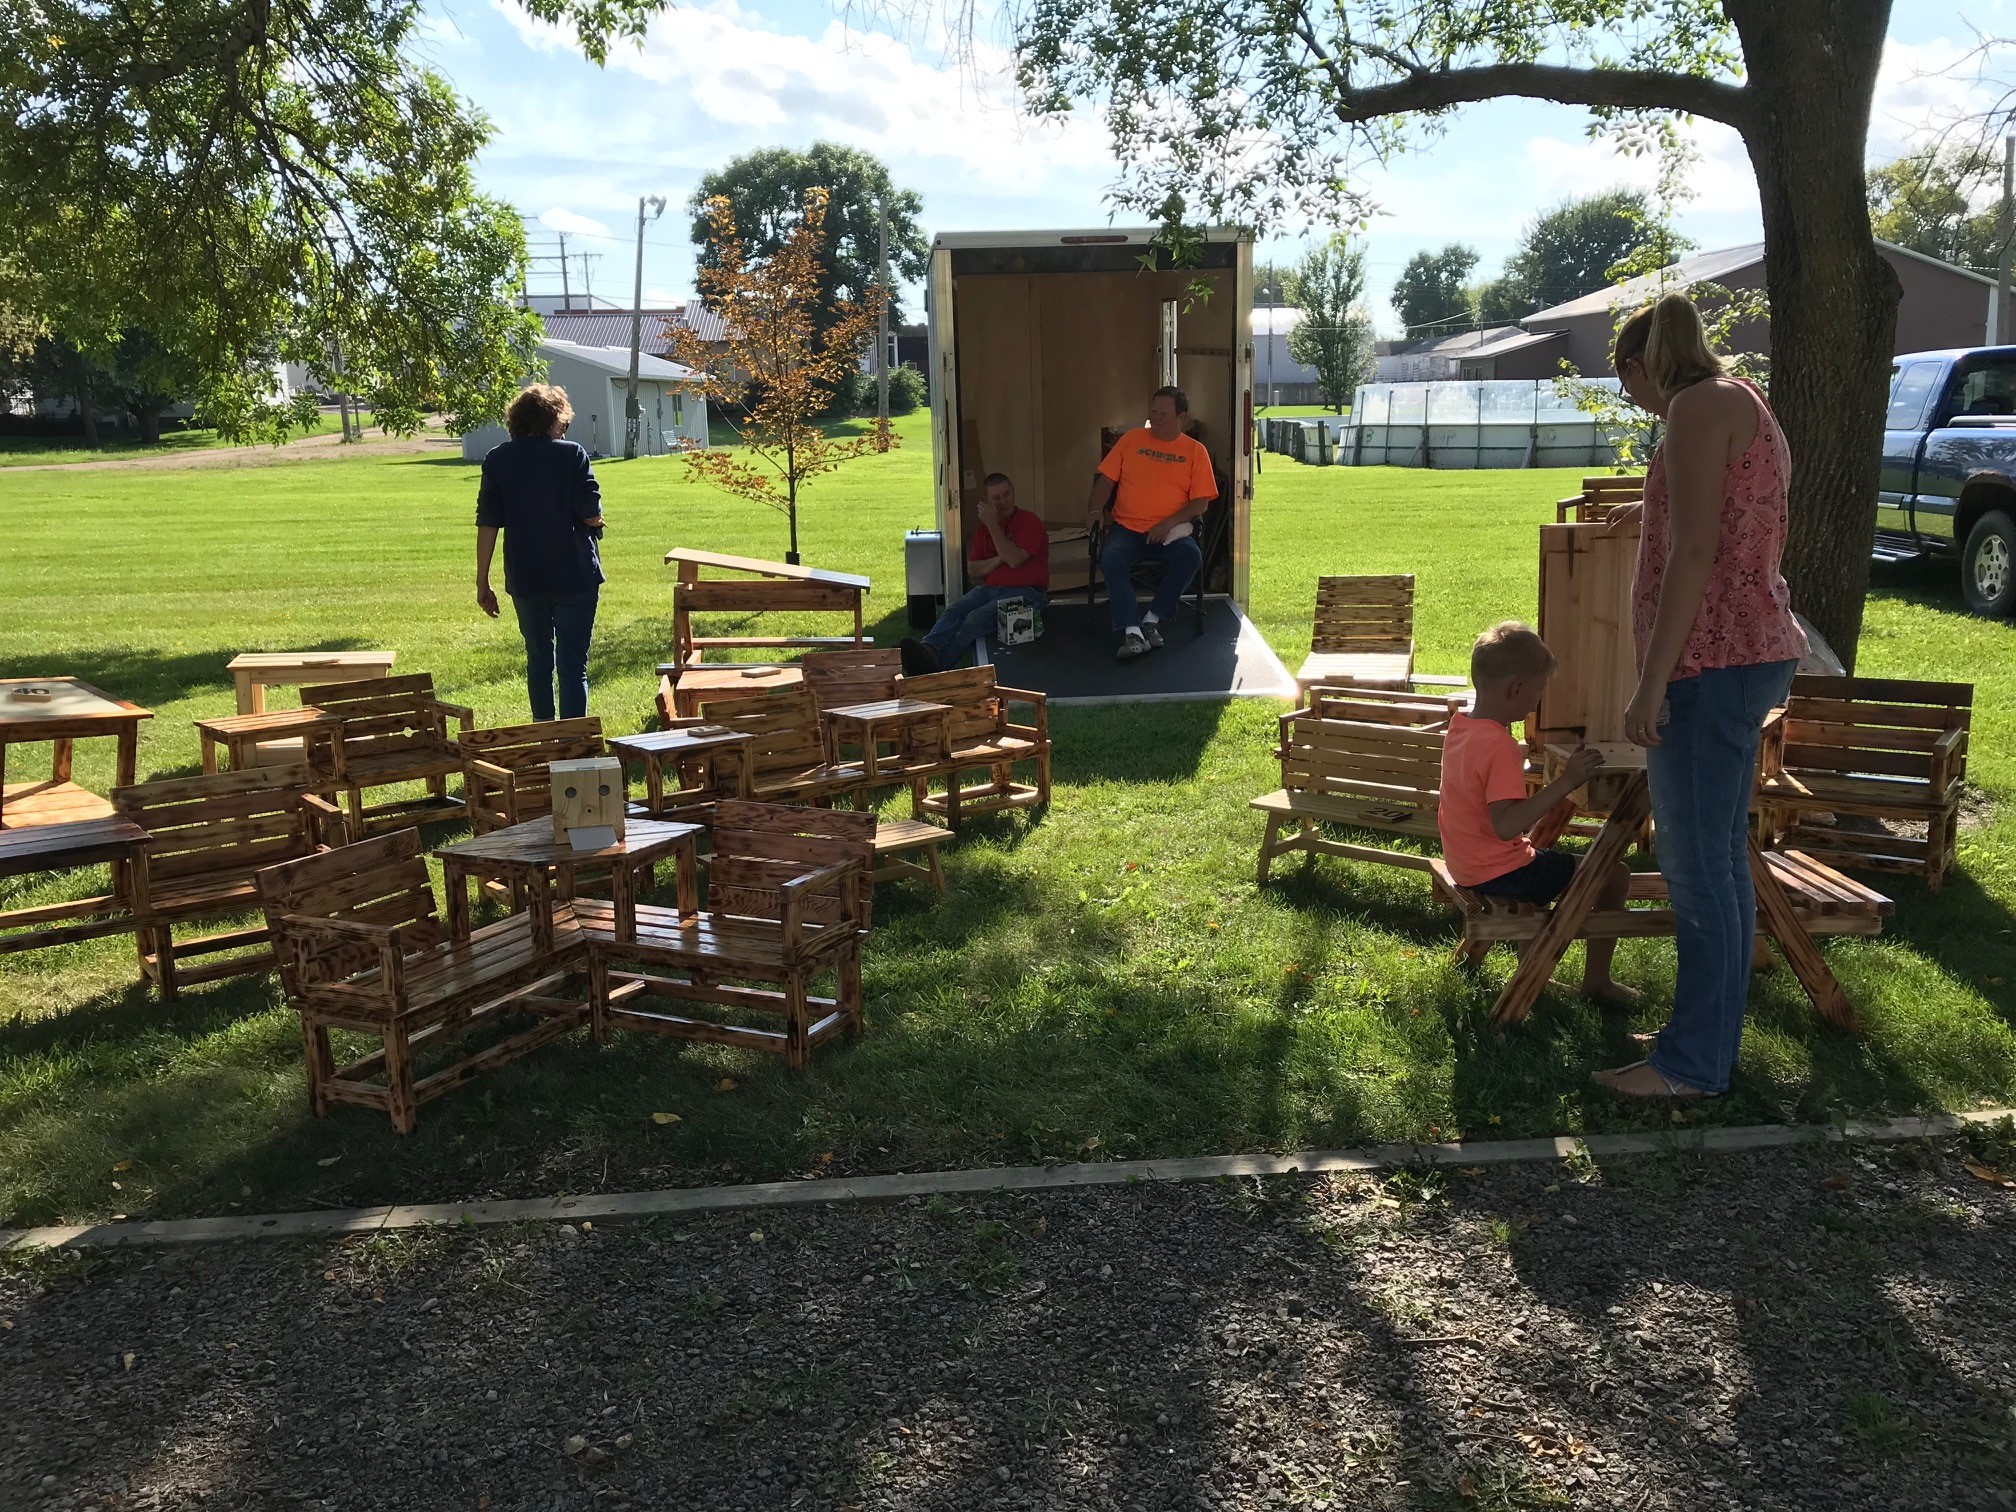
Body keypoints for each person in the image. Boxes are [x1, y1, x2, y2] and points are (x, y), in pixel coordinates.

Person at [1595, 293, 1806, 1101]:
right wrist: (1640, 511)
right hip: (1746, 650)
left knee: (1696, 867)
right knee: (1717, 859)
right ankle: (1705, 1038)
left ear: (1639, 367)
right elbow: (1714, 516)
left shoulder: (1691, 407)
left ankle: (1691, 1067)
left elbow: (1696, 552)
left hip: (1707, 663)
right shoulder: (1738, 399)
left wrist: (1651, 684)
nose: (1639, 406)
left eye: (1631, 391)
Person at [1440, 622, 1638, 1008]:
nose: (1538, 700)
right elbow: (1507, 826)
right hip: (1501, 872)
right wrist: (1567, 781)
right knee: (1615, 874)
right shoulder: (1501, 746)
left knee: (1544, 865)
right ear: (1516, 689)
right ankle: (1598, 982)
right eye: (1538, 690)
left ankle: (1532, 970)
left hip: (1465, 863)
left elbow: (1476, 792)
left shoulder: (1462, 728)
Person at [475, 384, 606, 722]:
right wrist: (597, 520)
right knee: (572, 666)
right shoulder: (572, 454)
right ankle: (574, 742)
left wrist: (482, 580)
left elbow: (488, 522)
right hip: (575, 574)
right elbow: (590, 512)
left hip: (526, 577)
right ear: (554, 419)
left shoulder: (497, 460)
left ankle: (543, 736)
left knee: (538, 660)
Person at [1085, 386, 1217, 661]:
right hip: (1127, 528)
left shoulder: (1195, 451)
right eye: (1153, 412)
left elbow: (1200, 503)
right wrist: (1096, 509)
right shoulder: (1132, 440)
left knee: (1190, 556)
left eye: (1163, 414)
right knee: (1111, 558)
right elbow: (1105, 480)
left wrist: (1166, 524)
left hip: (1169, 533)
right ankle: (1132, 631)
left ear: (1181, 417)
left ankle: (1152, 619)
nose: (1155, 418)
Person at [901, 472, 1049, 673]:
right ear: (986, 501)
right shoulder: (983, 530)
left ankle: (934, 667)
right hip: (989, 589)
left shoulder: (1029, 521)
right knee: (956, 609)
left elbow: (1014, 560)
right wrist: (1000, 557)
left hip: (1028, 593)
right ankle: (929, 649)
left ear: (1013, 492)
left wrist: (992, 525)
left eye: (1006, 494)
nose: (1003, 501)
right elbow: (973, 570)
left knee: (975, 618)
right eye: (996, 498)